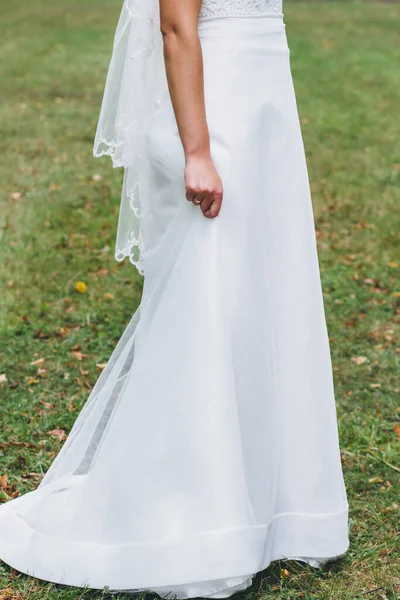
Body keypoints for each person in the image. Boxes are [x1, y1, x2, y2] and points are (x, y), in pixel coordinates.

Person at [0, 0, 350, 597]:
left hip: (261, 116)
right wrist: (197, 151)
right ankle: (193, 518)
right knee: (207, 316)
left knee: (264, 307)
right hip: (212, 127)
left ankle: (280, 507)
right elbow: (175, 26)